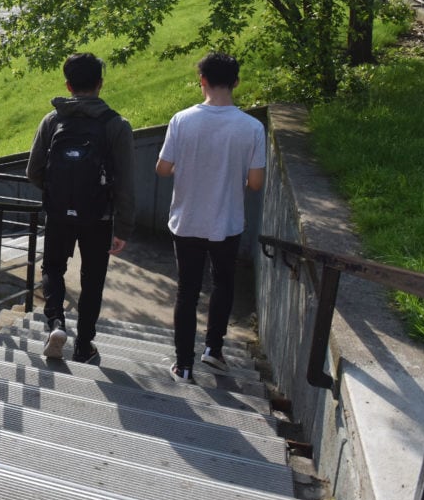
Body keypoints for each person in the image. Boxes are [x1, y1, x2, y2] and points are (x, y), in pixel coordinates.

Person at [156, 52, 266, 383]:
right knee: (223, 283)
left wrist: (184, 166)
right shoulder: (252, 127)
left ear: (201, 81)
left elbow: (162, 169)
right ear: (236, 82)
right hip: (227, 221)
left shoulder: (181, 120)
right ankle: (213, 350)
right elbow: (256, 183)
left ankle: (183, 364)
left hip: (187, 220)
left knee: (187, 291)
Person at [26, 53, 135, 364]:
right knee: (93, 277)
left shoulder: (52, 120)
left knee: (53, 269)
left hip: (59, 212)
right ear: (100, 84)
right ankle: (84, 345)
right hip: (98, 217)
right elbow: (127, 183)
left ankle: (55, 324)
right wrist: (123, 227)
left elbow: (33, 171)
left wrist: (59, 193)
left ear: (68, 85)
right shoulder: (116, 125)